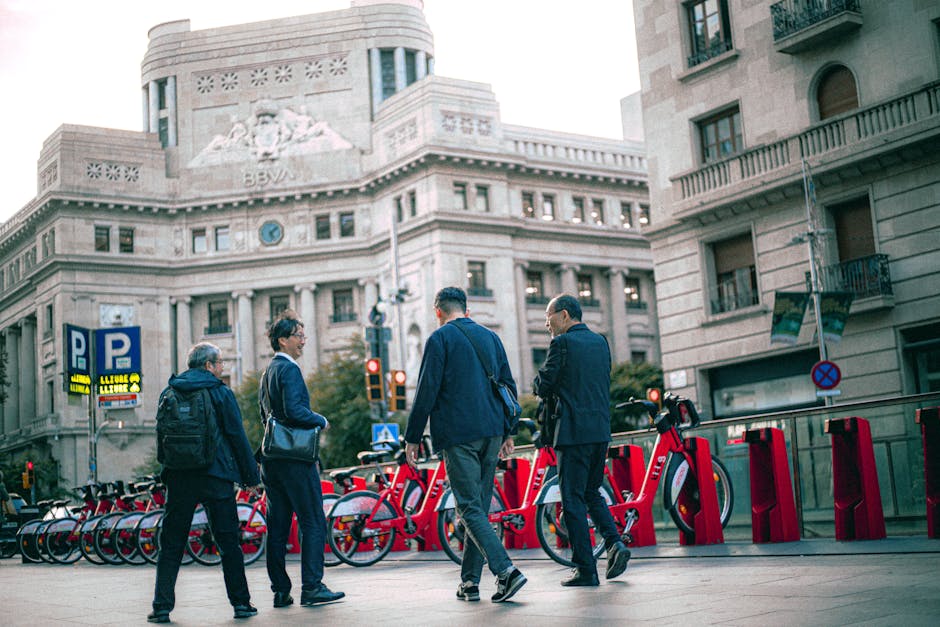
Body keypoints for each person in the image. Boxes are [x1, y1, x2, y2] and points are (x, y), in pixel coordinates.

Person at [404, 287, 527, 603]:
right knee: (479, 509)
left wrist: (413, 437)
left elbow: (427, 390)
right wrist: (509, 432)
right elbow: (508, 385)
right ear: (466, 309)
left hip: (459, 435)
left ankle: (506, 571)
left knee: (468, 507)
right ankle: (470, 582)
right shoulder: (490, 338)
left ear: (438, 311)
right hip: (493, 432)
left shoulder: (440, 339)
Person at [149, 342, 261, 623]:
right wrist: (251, 477)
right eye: (220, 363)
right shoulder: (220, 392)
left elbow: (162, 435)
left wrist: (167, 471)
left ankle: (161, 606)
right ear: (209, 366)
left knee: (172, 543)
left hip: (179, 478)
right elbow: (236, 435)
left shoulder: (169, 391)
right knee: (228, 543)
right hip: (216, 476)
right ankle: (241, 604)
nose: (222, 367)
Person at [533, 293, 631, 587]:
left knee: (573, 499)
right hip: (600, 431)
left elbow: (543, 384)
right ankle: (615, 543)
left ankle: (585, 569)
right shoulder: (601, 342)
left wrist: (538, 383)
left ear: (564, 315)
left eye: (549, 318)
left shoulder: (561, 343)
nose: (547, 325)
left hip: (573, 433)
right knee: (591, 492)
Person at [260, 311, 344, 608]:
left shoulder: (268, 371)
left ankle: (280, 590)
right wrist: (320, 420)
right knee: (312, 520)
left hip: (272, 459)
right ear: (282, 340)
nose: (303, 341)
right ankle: (312, 586)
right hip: (296, 459)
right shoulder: (289, 369)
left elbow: (266, 416)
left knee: (278, 527)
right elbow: (296, 411)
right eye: (298, 335)